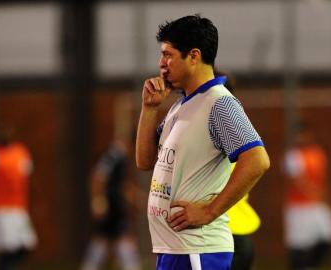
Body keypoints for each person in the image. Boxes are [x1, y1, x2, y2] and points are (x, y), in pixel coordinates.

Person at [135, 15, 270, 270]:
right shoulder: (182, 104)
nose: (161, 64)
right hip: (175, 249)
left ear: (194, 56)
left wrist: (209, 212)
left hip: (199, 250)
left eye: (168, 55)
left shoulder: (218, 102)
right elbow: (144, 161)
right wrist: (149, 109)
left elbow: (258, 160)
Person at [218, 70, 261, 270]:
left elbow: (258, 163)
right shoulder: (237, 134)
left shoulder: (220, 137)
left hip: (225, 238)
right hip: (233, 236)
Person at [0, 125, 37, 270]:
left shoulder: (21, 152)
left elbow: (27, 176)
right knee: (9, 247)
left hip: (18, 207)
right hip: (0, 207)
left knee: (27, 243)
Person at [283, 121, 331, 270]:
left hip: (316, 205)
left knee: (328, 236)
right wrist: (313, 191)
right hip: (298, 207)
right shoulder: (293, 156)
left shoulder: (318, 153)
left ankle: (312, 266)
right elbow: (297, 179)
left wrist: (322, 196)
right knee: (298, 244)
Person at [80, 138, 141, 270]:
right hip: (111, 207)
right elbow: (97, 176)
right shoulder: (114, 156)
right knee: (116, 238)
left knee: (104, 239)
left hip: (115, 207)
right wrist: (98, 201)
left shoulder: (119, 157)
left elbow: (123, 185)